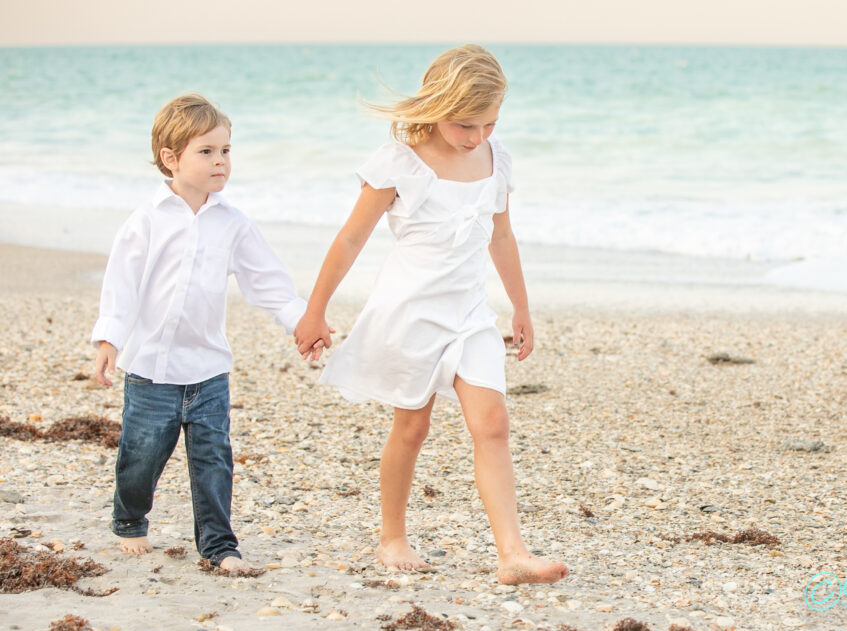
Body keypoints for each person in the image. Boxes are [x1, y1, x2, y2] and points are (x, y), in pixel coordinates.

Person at [294, 45, 568, 585]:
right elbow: (351, 238)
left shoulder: (497, 160)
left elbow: (503, 236)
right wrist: (315, 310)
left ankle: (512, 553)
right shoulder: (400, 163)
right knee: (412, 427)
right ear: (436, 106)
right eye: (466, 124)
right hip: (410, 314)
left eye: (489, 123)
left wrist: (522, 306)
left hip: (469, 314)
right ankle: (392, 536)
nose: (477, 137)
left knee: (492, 423)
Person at [92, 93, 308, 573]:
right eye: (206, 151)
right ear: (171, 159)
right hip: (150, 371)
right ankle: (130, 520)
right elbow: (121, 286)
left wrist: (301, 321)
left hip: (209, 371)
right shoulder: (146, 221)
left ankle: (219, 546)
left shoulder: (233, 224)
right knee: (140, 459)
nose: (220, 161)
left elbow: (267, 283)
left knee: (214, 463)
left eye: (226, 150)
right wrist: (109, 339)